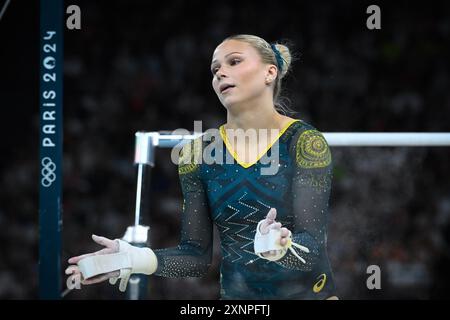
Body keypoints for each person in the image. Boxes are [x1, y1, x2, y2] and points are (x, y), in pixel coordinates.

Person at [66, 34, 338, 300]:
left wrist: (281, 248)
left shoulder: (303, 143)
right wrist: (133, 258)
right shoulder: (197, 154)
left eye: (234, 61)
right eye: (215, 68)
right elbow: (195, 257)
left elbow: (312, 247)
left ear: (270, 73)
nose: (220, 73)